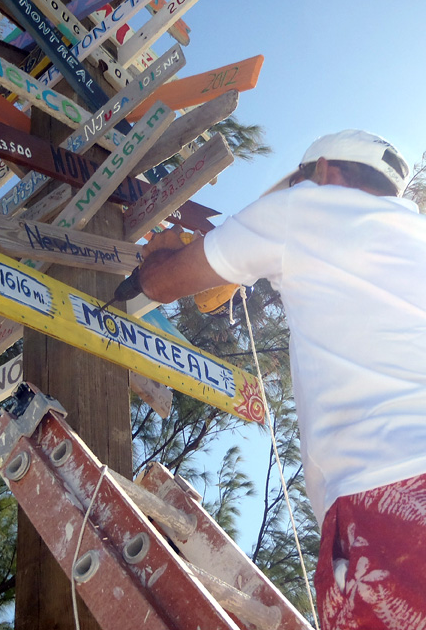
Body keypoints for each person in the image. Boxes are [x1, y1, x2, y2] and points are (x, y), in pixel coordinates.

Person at [138, 130, 426, 629]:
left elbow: (163, 284)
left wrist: (158, 255)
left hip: (389, 484)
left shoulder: (305, 208)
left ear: (322, 171)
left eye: (298, 180)